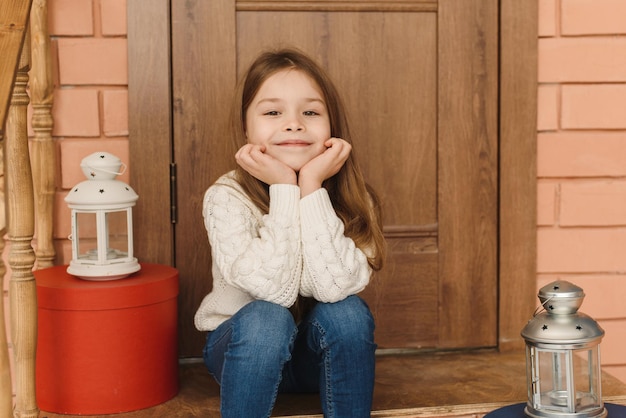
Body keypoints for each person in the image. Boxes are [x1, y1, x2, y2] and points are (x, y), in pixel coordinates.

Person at [194, 48, 386, 418]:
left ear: (332, 127)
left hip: (316, 360)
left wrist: (311, 187)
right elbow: (272, 292)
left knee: (347, 312)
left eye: (310, 112)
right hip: (241, 354)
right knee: (267, 317)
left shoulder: (352, 196)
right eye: (272, 112)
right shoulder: (226, 197)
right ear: (246, 128)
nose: (294, 124)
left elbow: (334, 288)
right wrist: (284, 187)